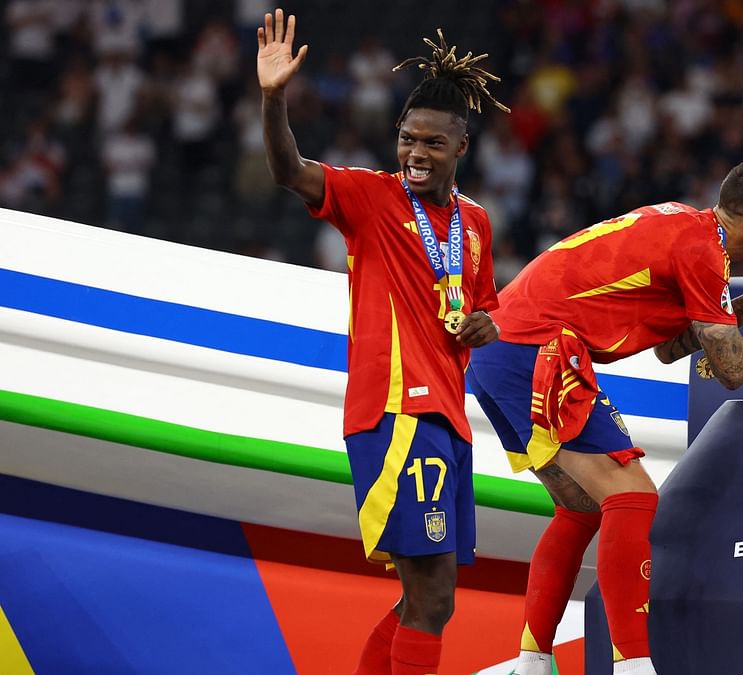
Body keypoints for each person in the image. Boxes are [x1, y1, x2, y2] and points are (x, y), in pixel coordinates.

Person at [466, 158, 743, 675]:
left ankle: (532, 661)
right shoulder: (701, 251)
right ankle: (634, 665)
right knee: (632, 497)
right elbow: (733, 368)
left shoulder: (689, 228)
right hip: (536, 353)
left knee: (582, 507)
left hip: (502, 351)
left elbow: (671, 348)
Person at [256, 9, 507, 675]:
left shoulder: (476, 223)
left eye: (430, 142)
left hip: (448, 419)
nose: (414, 153)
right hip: (396, 412)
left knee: (427, 598)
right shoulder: (368, 198)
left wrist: (488, 322)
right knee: (432, 594)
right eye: (406, 138)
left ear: (461, 148)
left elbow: (480, 308)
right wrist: (274, 98)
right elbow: (289, 170)